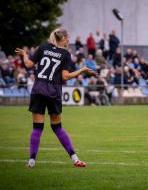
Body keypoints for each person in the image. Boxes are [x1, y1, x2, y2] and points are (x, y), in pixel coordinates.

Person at [15, 28, 95, 168]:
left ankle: (31, 161)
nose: (69, 40)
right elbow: (65, 76)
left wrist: (25, 54)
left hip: (38, 90)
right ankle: (75, 159)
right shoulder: (65, 54)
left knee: (37, 128)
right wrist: (82, 70)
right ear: (62, 39)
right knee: (57, 128)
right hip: (53, 92)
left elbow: (28, 64)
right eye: (67, 37)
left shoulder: (44, 47)